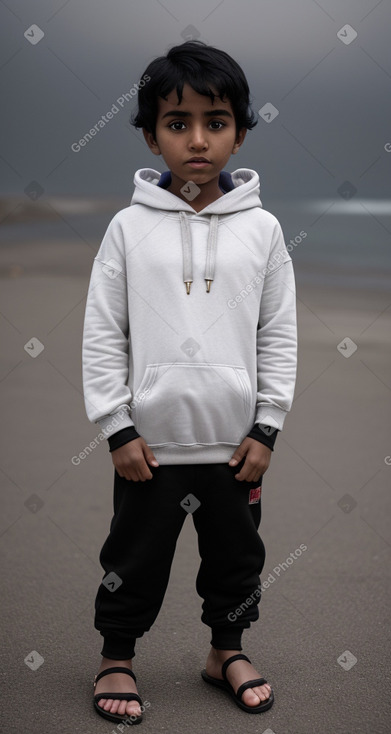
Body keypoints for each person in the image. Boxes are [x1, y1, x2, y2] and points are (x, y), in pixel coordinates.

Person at [82, 39, 297, 725]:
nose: (197, 140)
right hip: (148, 448)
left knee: (236, 559)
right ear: (151, 136)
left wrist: (266, 428)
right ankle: (118, 655)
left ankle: (223, 651)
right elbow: (101, 332)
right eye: (178, 124)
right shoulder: (126, 229)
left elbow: (277, 336)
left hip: (235, 448)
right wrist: (116, 427)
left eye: (216, 121)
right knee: (133, 557)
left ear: (238, 131)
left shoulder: (261, 230)